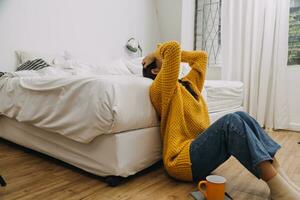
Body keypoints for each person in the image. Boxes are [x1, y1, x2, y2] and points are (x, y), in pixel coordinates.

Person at [142, 41, 300, 200]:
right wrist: (156, 53)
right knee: (230, 122)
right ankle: (278, 188)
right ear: (156, 70)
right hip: (181, 160)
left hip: (199, 149)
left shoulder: (187, 84)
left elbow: (201, 58)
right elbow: (173, 49)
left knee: (242, 116)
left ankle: (280, 178)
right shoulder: (160, 89)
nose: (170, 60)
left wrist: (158, 55)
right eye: (162, 59)